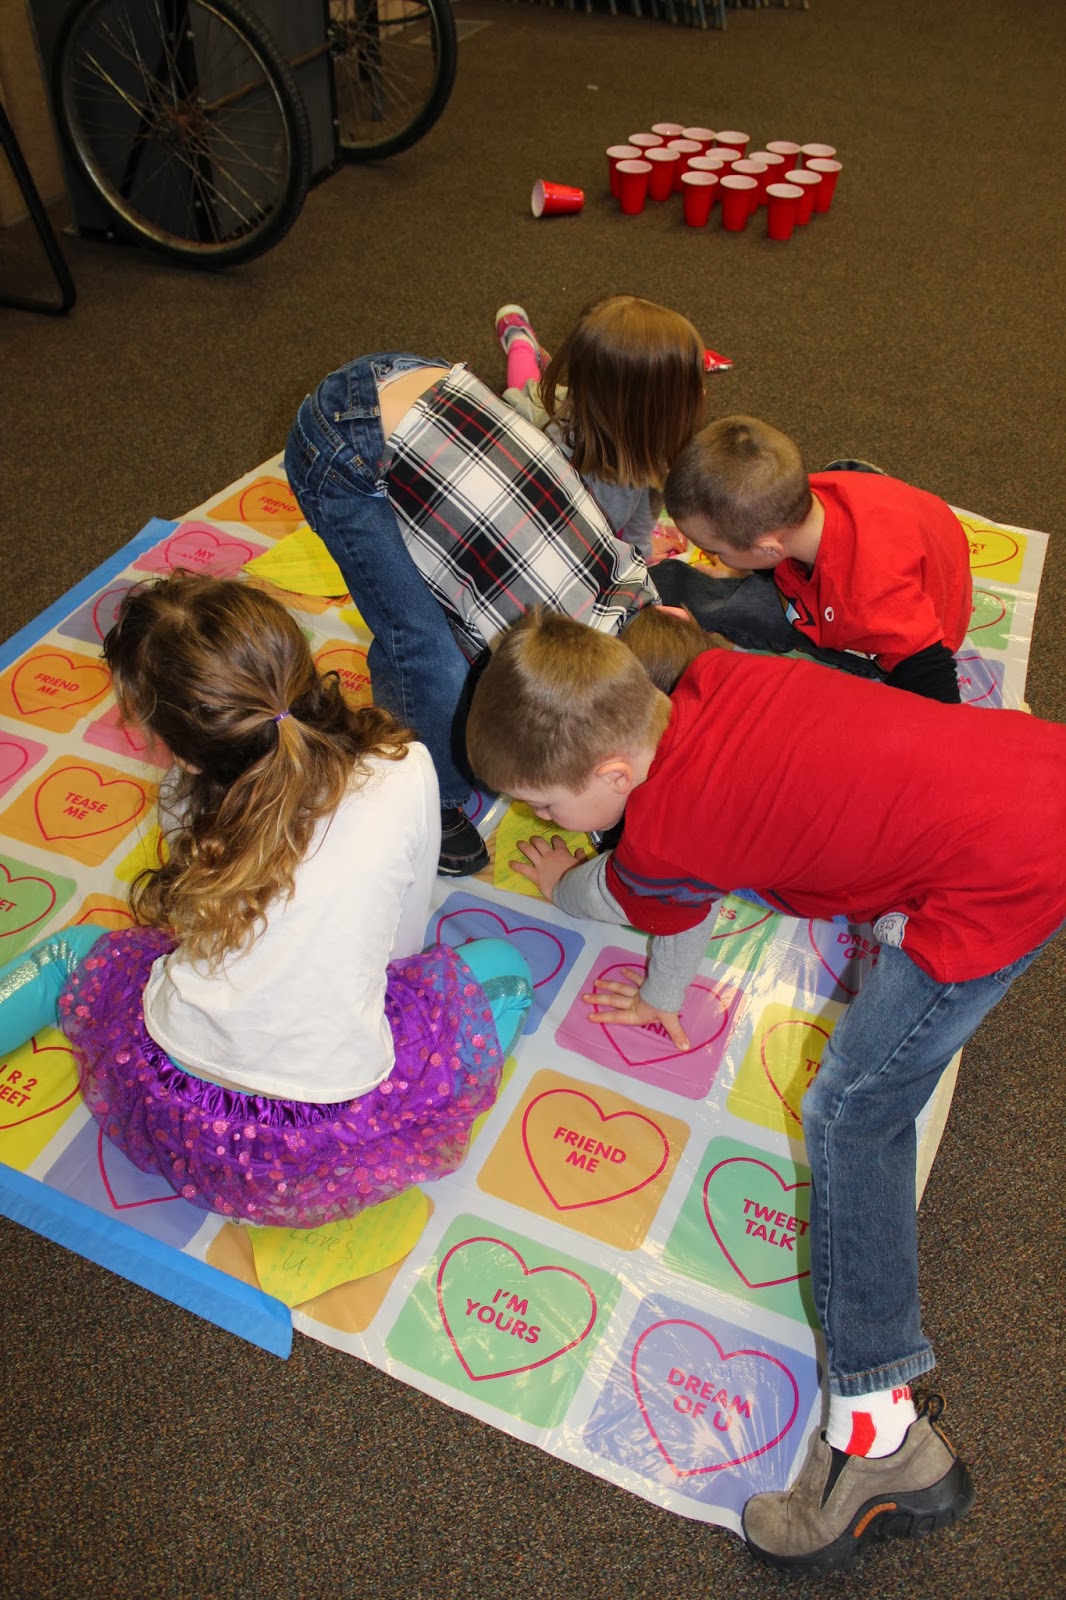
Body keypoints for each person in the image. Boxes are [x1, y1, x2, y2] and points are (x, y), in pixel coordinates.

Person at [465, 610, 1066, 1576]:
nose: (544, 824)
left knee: (850, 1113)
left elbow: (627, 893)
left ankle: (881, 1438)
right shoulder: (716, 680)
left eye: (545, 806)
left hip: (1001, 879)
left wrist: (566, 881)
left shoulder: (660, 832)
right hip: (1037, 771)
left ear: (615, 776)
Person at [0, 573, 532, 1230]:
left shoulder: (183, 799)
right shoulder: (405, 768)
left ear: (188, 754)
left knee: (68, 955)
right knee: (503, 968)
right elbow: (403, 946)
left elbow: (202, 922)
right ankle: (425, 1120)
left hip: (179, 1112)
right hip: (327, 1139)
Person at [284, 345, 678, 877]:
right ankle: (429, 799)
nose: (542, 816)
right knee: (425, 650)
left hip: (428, 383)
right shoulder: (553, 689)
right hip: (342, 445)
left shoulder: (646, 615)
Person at [656, 415, 974, 702]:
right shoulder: (802, 491)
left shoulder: (867, 600)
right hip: (902, 521)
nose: (713, 557)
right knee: (840, 471)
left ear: (770, 549)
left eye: (715, 550)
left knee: (727, 604)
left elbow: (938, 692)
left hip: (912, 621)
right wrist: (737, 560)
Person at [494, 296, 704, 564]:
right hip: (542, 415)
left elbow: (650, 497)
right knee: (522, 391)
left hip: (588, 407)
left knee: (534, 389)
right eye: (690, 386)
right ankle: (519, 341)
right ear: (649, 408)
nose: (703, 392)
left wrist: (641, 548)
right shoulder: (553, 447)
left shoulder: (653, 440)